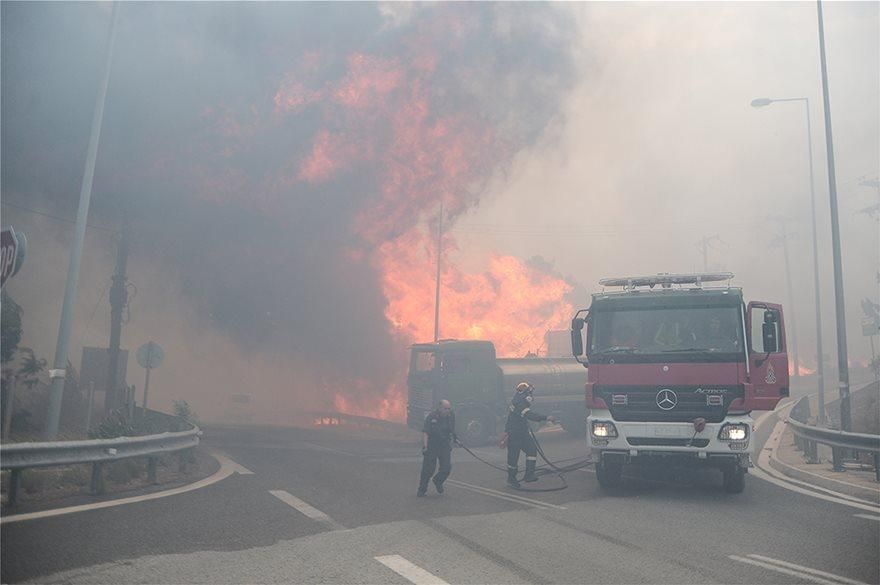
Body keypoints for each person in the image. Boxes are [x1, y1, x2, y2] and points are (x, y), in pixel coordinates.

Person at [501, 382, 556, 488]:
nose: (531, 396)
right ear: (526, 393)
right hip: (514, 433)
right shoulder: (519, 403)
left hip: (522, 432)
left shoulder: (519, 399)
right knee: (513, 457)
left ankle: (529, 475)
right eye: (530, 393)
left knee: (531, 449)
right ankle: (511, 479)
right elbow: (530, 415)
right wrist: (546, 417)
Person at [417, 399, 459, 497]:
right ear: (439, 408)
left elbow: (452, 429)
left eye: (449, 408)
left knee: (446, 468)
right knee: (428, 469)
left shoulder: (451, 416)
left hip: (444, 445)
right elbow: (426, 432)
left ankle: (438, 481)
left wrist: (456, 439)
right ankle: (422, 489)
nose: (447, 411)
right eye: (445, 409)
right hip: (432, 444)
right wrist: (425, 446)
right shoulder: (431, 417)